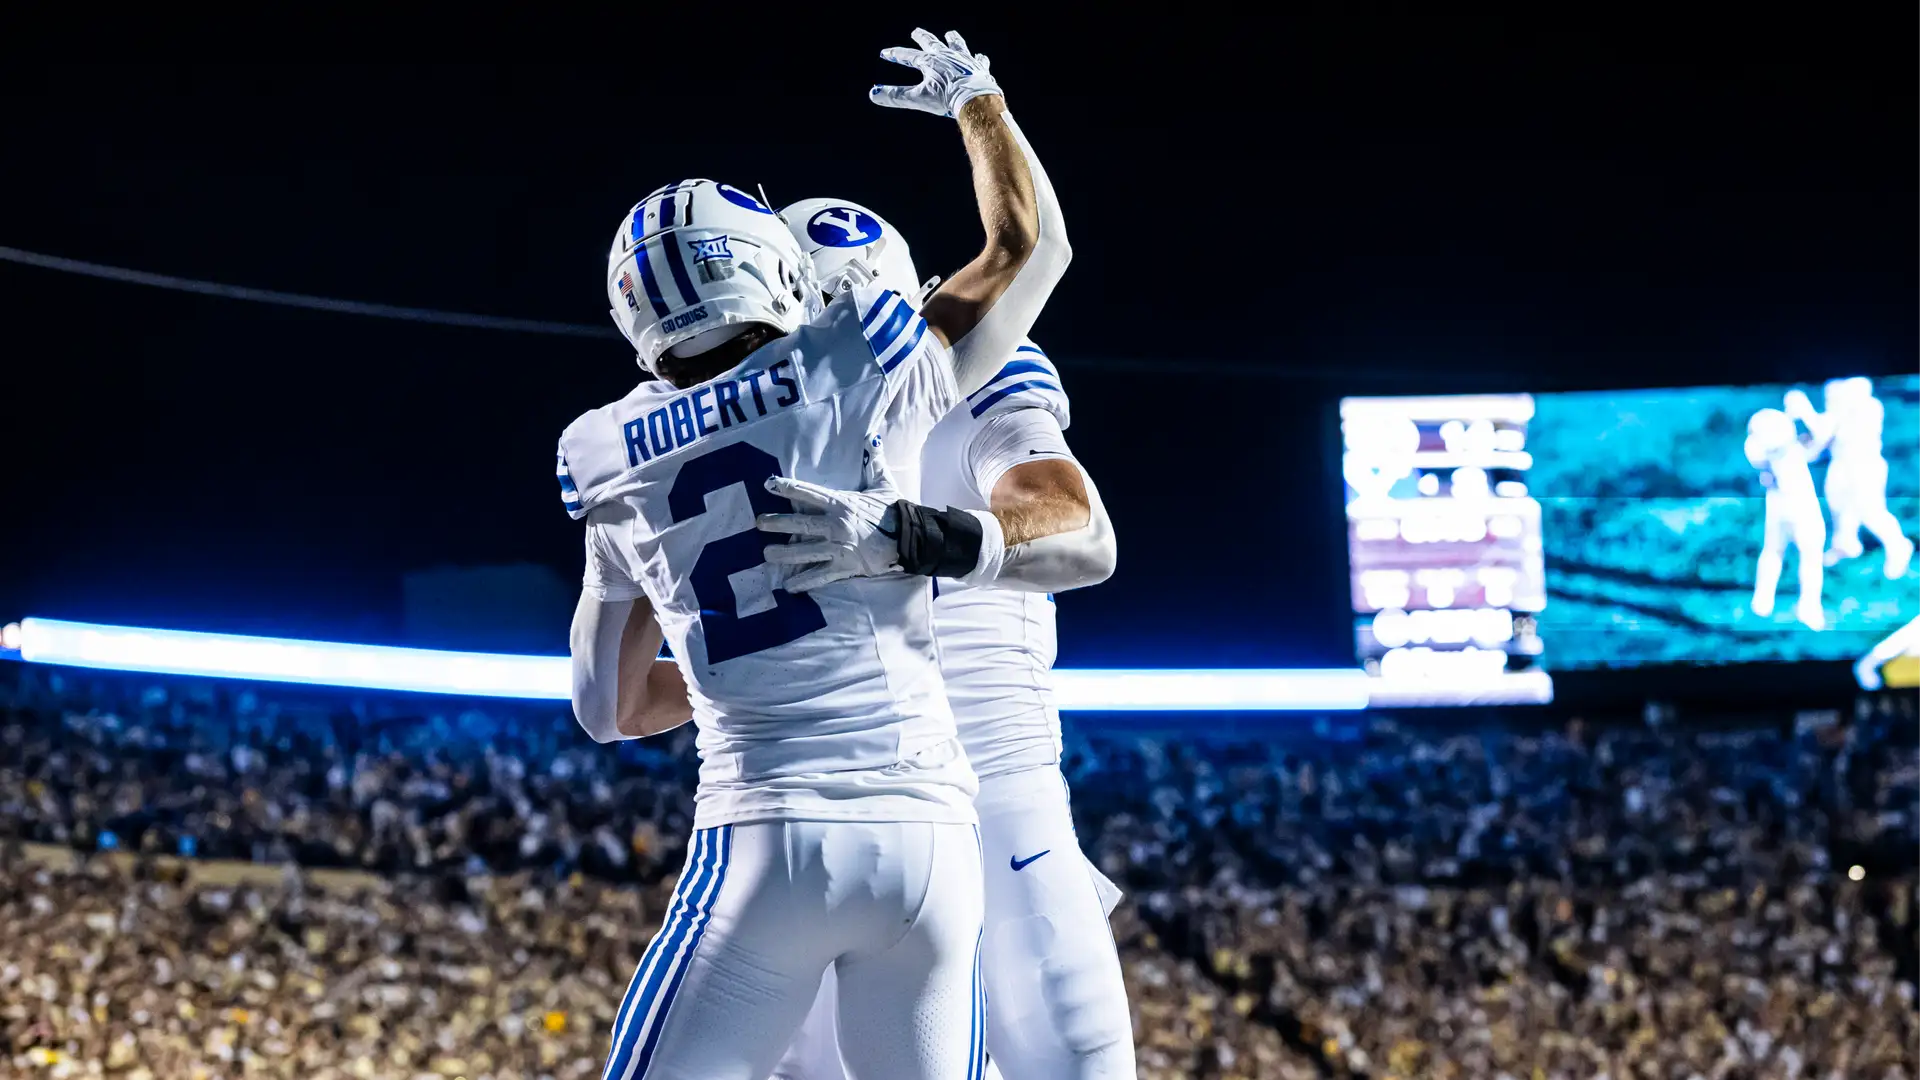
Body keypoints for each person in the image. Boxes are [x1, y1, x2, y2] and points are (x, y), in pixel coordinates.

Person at [558, 29, 1071, 1080]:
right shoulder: (866, 352)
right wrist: (978, 102)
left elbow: (605, 708)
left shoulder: (601, 454)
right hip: (932, 843)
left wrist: (721, 663)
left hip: (765, 837)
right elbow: (1028, 250)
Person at [761, 198, 1133, 1080]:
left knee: (1075, 1060)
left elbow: (1085, 537)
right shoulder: (757, 418)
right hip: (840, 809)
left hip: (993, 792)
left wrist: (909, 535)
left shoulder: (975, 379)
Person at [1787, 378, 1912, 577]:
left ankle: (1898, 546)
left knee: (1870, 511)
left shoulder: (1868, 407)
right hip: (1841, 464)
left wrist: (1805, 411)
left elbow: (1823, 434)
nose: (1829, 399)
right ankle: (1845, 544)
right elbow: (1818, 445)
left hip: (1864, 464)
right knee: (1838, 504)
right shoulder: (1837, 413)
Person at [1745, 407, 1827, 630]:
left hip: (1785, 504)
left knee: (1781, 553)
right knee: (1799, 555)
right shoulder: (1770, 448)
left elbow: (1817, 439)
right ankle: (1800, 607)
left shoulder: (1765, 448)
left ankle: (1770, 603)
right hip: (1795, 505)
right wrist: (1803, 412)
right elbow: (1819, 437)